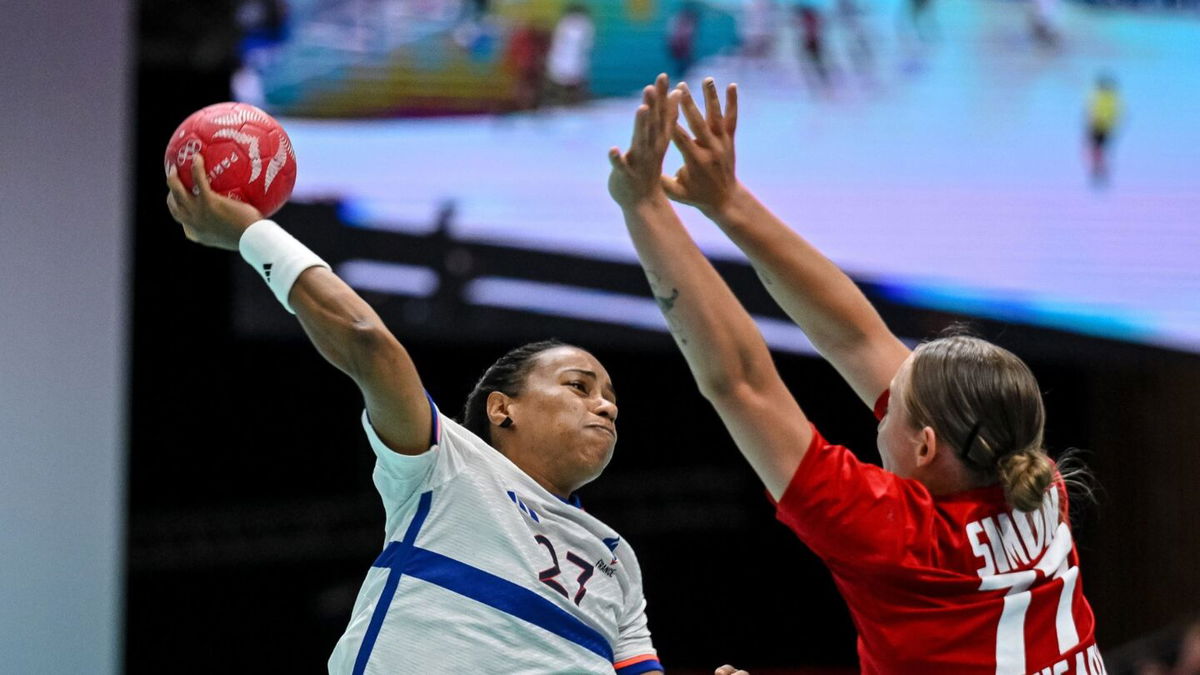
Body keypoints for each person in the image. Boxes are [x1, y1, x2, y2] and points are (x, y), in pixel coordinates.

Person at [607, 74, 1104, 674]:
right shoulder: (1036, 483)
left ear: (925, 445)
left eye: (894, 401)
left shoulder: (895, 535)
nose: (882, 392)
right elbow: (854, 336)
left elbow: (742, 381)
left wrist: (646, 208)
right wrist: (727, 201)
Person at [164, 157, 663, 674]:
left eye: (610, 399)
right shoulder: (445, 463)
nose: (605, 405)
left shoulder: (617, 559)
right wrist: (250, 232)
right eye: (579, 386)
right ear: (502, 409)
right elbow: (366, 341)